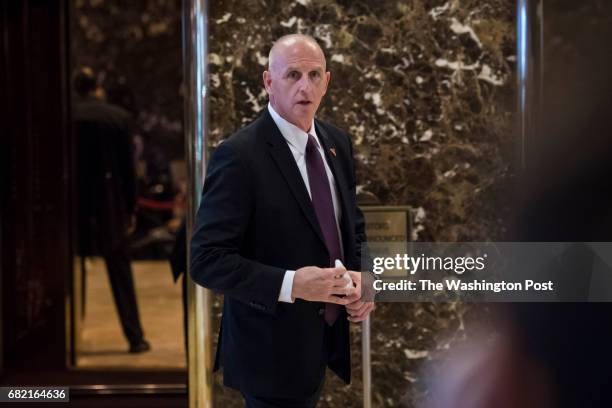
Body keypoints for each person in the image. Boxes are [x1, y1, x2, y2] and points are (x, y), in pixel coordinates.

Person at [190, 34, 374, 406]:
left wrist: (364, 277)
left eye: (314, 75)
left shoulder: (337, 143)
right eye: (292, 75)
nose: (305, 86)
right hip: (267, 352)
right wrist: (292, 284)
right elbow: (206, 259)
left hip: (322, 343)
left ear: (327, 82)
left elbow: (351, 226)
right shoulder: (239, 155)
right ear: (268, 82)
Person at [73, 67, 151, 353]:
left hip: (71, 204)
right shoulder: (117, 118)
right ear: (98, 86)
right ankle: (135, 337)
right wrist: (131, 206)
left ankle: (63, 340)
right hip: (109, 201)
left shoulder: (65, 115)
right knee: (120, 271)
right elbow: (127, 170)